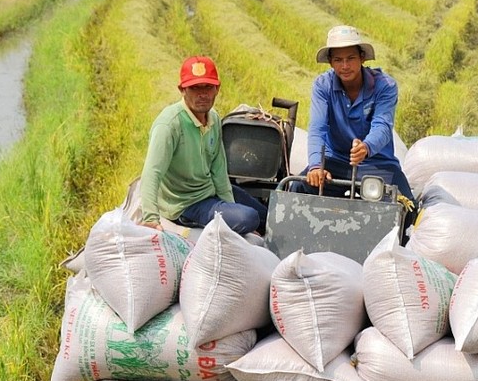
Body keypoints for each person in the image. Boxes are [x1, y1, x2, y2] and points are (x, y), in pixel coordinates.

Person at [294, 25, 416, 216]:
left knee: (408, 210)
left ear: (362, 58)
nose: (345, 66)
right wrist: (316, 166)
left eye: (350, 58)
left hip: (377, 163)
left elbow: (382, 126)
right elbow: (318, 128)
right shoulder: (322, 85)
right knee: (294, 191)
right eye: (338, 60)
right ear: (330, 63)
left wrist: (366, 147)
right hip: (335, 161)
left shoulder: (385, 85)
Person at [139, 55, 267, 236]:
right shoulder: (169, 125)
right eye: (195, 88)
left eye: (208, 87)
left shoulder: (213, 117)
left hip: (209, 191)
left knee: (265, 216)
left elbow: (219, 168)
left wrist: (231, 207)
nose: (202, 94)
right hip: (185, 203)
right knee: (249, 218)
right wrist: (151, 218)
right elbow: (152, 172)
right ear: (182, 90)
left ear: (217, 88)